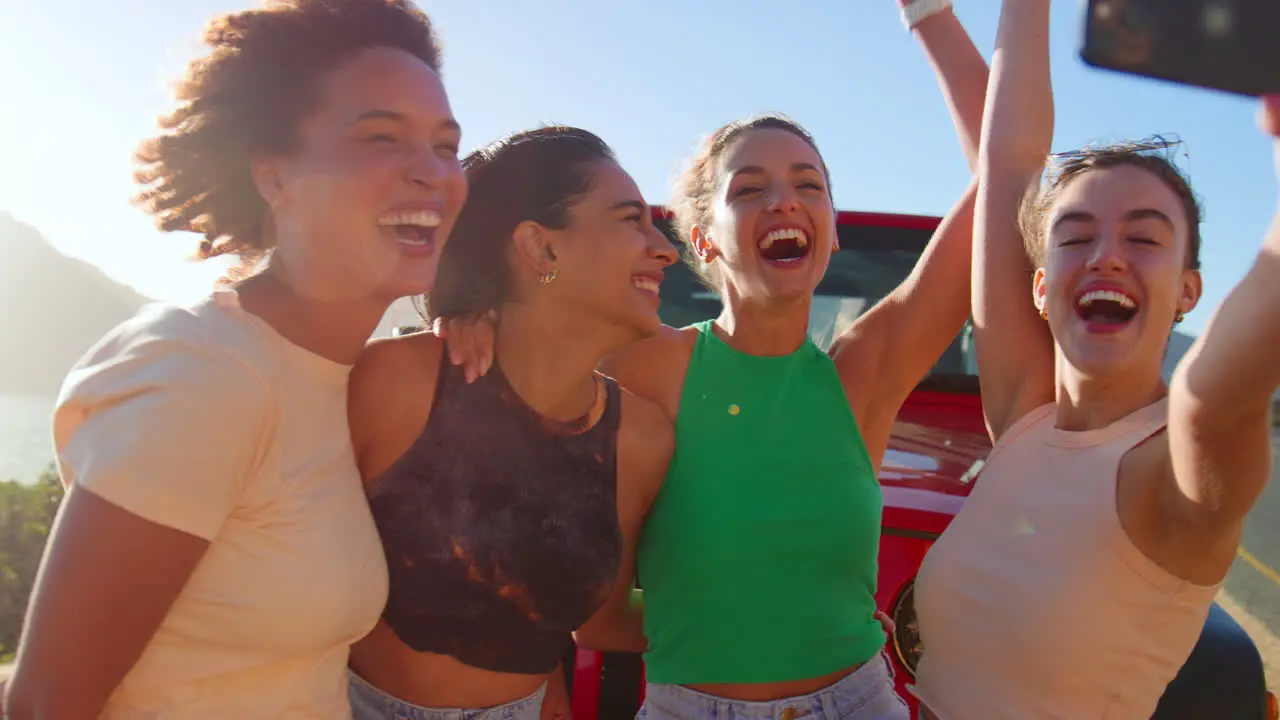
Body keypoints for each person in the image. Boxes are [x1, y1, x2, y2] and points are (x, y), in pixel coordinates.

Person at [440, 2, 988, 716]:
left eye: (809, 185)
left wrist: (931, 14)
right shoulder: (648, 366)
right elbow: (595, 616)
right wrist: (466, 307)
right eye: (750, 188)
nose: (785, 201)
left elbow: (1005, 173)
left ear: (831, 231)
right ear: (702, 241)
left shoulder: (864, 373)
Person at [2, 1, 466, 717]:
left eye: (445, 145)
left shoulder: (336, 371)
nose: (432, 173)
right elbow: (45, 705)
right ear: (274, 176)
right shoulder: (203, 374)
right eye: (383, 138)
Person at [911, 0, 1280, 716]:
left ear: (1188, 290)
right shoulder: (1024, 416)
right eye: (1075, 236)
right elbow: (1009, 161)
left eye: (1144, 239)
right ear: (1040, 286)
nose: (1106, 255)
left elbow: (1216, 395)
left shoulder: (1173, 473)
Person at [344, 126, 678, 720]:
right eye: (632, 220)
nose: (665, 249)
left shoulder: (640, 439)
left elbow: (597, 624)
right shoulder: (398, 384)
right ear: (541, 248)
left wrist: (781, 625)